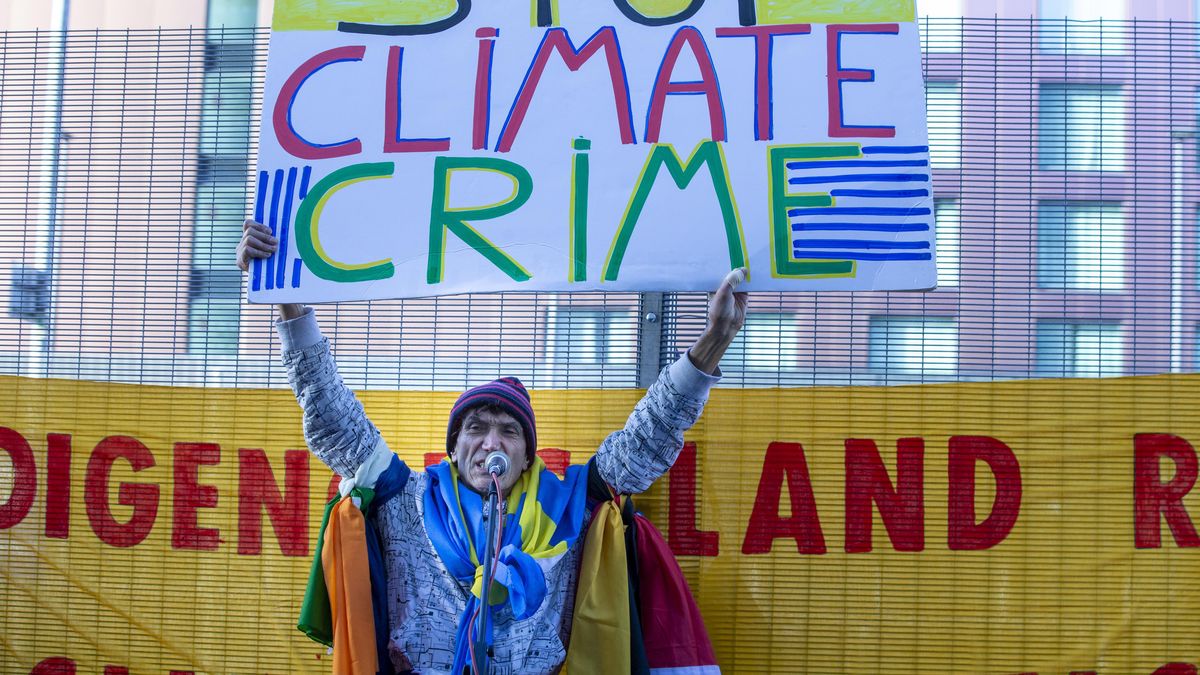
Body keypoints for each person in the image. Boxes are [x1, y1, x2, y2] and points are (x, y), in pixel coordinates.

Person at [236, 219, 747, 674]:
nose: (491, 441)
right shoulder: (402, 499)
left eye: (509, 431)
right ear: (453, 448)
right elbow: (332, 414)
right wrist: (286, 299)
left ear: (528, 454)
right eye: (476, 428)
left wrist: (714, 341)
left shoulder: (572, 506)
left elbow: (647, 438)